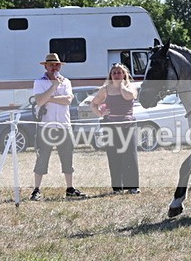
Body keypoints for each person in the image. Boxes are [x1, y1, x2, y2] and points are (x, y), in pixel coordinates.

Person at [30, 53, 86, 200]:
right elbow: (40, 101)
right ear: (46, 66)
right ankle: (36, 190)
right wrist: (53, 86)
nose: (55, 67)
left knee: (67, 157)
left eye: (57, 65)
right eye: (51, 65)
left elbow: (68, 100)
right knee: (42, 157)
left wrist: (50, 97)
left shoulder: (66, 81)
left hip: (63, 125)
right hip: (45, 126)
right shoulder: (39, 82)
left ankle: (70, 188)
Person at [90, 63, 140, 194]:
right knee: (113, 156)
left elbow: (128, 96)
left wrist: (122, 85)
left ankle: (133, 186)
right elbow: (93, 104)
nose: (116, 75)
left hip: (128, 125)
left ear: (124, 74)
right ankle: (117, 187)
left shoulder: (130, 87)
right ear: (110, 75)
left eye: (119, 72)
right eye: (114, 73)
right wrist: (101, 114)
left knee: (130, 155)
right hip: (110, 126)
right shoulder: (105, 89)